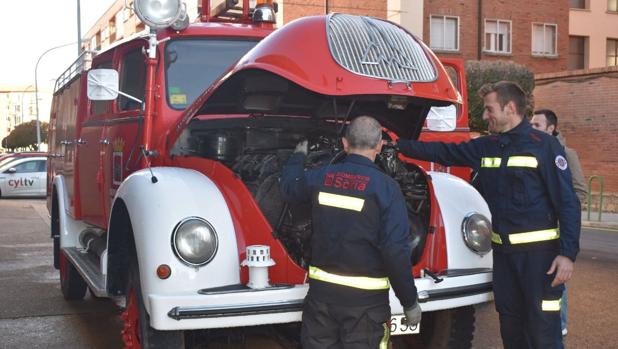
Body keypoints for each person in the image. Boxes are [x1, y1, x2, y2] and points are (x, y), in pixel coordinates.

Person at [396, 81, 581, 349]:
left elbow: (568, 202)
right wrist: (399, 145)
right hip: (503, 259)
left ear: (510, 108)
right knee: (511, 330)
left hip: (540, 260)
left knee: (543, 334)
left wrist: (568, 254)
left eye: (489, 109)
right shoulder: (488, 146)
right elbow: (444, 152)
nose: (484, 116)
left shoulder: (545, 146)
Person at [280, 116, 421, 348]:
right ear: (379, 145)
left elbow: (289, 188)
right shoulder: (387, 189)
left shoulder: (321, 177)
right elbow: (395, 251)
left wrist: (297, 157)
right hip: (365, 307)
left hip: (321, 301)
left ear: (345, 143)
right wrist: (409, 302)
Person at [531, 109, 586, 337]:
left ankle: (559, 325)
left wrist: (562, 212)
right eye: (530, 124)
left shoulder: (566, 153)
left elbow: (580, 191)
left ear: (551, 128)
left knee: (556, 277)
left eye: (536, 125)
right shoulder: (532, 150)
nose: (531, 128)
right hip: (534, 230)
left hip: (558, 228)